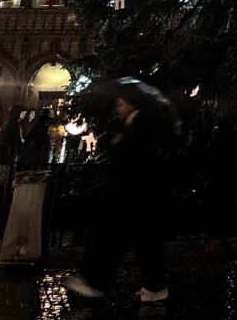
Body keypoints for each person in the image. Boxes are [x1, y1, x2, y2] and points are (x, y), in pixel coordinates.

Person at [66, 78, 180, 304]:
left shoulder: (142, 124)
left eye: (120, 104)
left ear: (131, 103)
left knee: (116, 239)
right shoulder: (139, 123)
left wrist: (120, 144)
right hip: (138, 195)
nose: (118, 109)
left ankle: (94, 280)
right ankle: (154, 286)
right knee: (145, 242)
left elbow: (139, 158)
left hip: (135, 194)